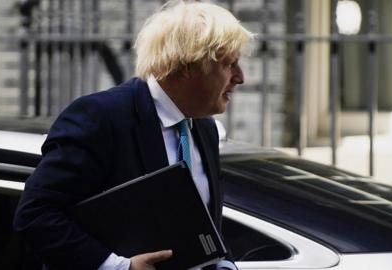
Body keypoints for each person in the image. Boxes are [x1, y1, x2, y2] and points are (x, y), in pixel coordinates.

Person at [13, 1, 253, 269]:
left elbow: (203, 225)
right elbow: (36, 215)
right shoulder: (100, 117)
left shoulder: (204, 127)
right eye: (229, 64)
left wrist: (224, 265)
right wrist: (119, 267)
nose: (240, 77)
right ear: (189, 65)